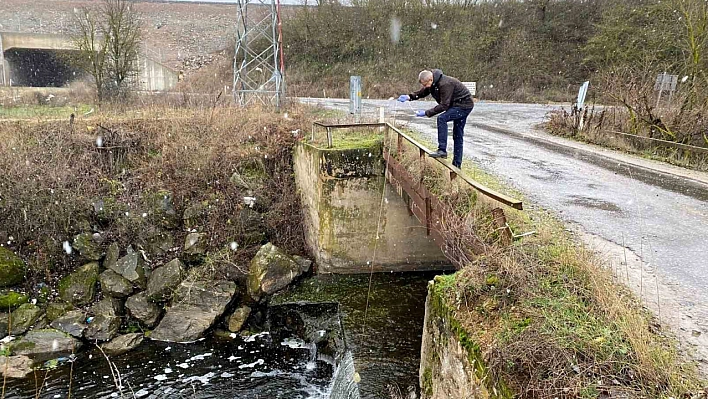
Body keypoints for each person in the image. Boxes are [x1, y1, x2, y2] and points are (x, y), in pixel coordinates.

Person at [398, 69, 474, 168]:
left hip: (464, 105)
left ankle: (442, 150)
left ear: (430, 79)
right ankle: (457, 165)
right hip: (456, 105)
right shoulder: (433, 83)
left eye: (425, 84)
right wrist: (409, 97)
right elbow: (423, 92)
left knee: (442, 119)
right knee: (457, 135)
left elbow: (444, 105)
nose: (425, 87)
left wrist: (426, 113)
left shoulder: (445, 84)